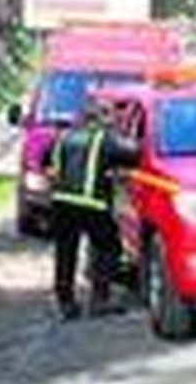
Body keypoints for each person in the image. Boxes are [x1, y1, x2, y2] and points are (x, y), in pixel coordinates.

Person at [46, 100, 140, 320]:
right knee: (110, 247)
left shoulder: (62, 137)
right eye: (106, 115)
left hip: (61, 203)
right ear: (98, 119)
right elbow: (133, 154)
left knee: (65, 251)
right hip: (92, 204)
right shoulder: (103, 139)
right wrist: (116, 131)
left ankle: (65, 302)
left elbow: (45, 161)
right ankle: (100, 299)